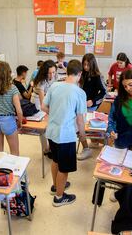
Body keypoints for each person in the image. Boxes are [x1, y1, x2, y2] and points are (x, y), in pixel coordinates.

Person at [41, 59, 87, 207]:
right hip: (66, 135)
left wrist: (54, 114)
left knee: (55, 160)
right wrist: (83, 135)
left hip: (52, 132)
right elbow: (80, 119)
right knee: (64, 168)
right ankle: (59, 197)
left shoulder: (55, 86)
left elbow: (43, 106)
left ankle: (56, 187)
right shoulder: (79, 92)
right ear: (79, 74)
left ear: (67, 72)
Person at [77, 53, 107, 160]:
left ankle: (88, 148)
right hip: (81, 104)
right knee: (82, 126)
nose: (85, 67)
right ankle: (93, 143)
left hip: (90, 106)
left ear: (93, 64)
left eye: (88, 65)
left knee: (84, 127)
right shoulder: (82, 74)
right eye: (84, 64)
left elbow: (104, 92)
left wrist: (93, 101)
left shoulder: (97, 76)